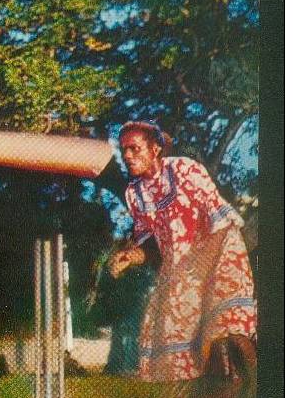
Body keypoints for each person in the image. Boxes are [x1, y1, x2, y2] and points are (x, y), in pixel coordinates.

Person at [109, 121, 256, 382]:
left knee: (226, 325)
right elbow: (155, 248)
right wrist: (132, 256)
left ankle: (258, 385)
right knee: (170, 329)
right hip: (183, 265)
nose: (128, 156)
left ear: (155, 149)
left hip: (219, 250)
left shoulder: (185, 170)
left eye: (134, 148)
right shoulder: (135, 194)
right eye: (124, 151)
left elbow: (218, 222)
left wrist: (193, 271)